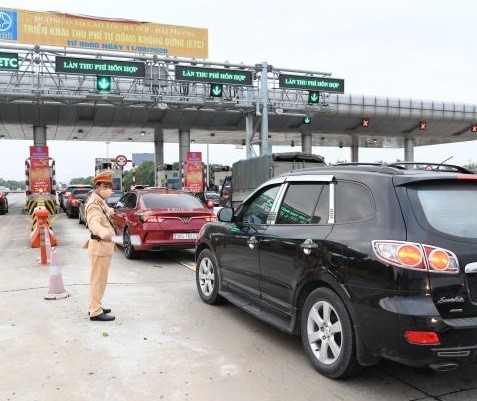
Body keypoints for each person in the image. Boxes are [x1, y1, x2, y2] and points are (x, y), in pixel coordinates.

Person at [83, 170, 116, 322]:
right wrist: (105, 233)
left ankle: (94, 306)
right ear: (97, 187)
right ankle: (95, 311)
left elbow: (108, 213)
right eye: (105, 186)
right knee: (98, 280)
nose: (108, 189)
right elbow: (94, 224)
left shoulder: (101, 202)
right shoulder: (94, 205)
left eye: (109, 185)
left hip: (103, 247)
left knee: (99, 280)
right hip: (100, 246)